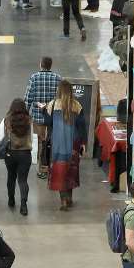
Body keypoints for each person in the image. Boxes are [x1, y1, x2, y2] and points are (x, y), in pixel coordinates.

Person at [40, 80, 87, 210]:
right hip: (73, 145)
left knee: (59, 171)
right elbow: (82, 126)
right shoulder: (77, 105)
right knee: (71, 170)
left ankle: (63, 201)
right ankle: (70, 197)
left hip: (57, 145)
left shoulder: (53, 104)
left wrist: (43, 110)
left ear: (59, 91)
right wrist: (84, 143)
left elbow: (48, 122)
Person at [24, 56, 61, 179]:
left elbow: (28, 97)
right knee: (52, 142)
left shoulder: (34, 77)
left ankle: (42, 169)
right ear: (51, 65)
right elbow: (60, 98)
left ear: (41, 64)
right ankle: (52, 168)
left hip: (38, 117)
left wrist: (25, 113)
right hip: (53, 117)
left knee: (40, 142)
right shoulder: (57, 78)